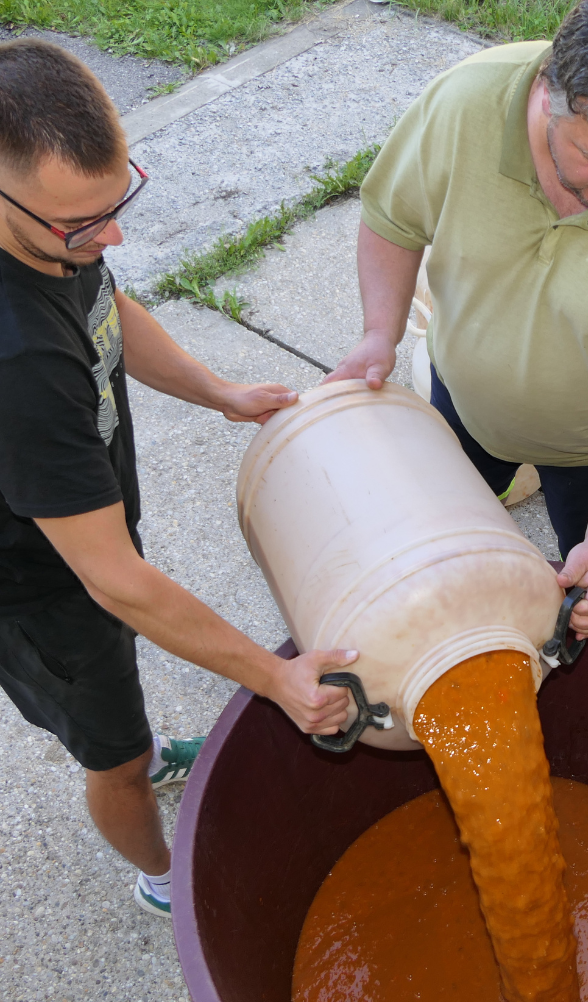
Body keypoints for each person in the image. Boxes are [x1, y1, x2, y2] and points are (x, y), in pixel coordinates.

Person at [0, 40, 354, 917]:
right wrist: (275, 678)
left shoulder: (56, 237)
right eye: (81, 225)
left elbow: (106, 310)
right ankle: (165, 877)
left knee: (121, 692)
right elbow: (114, 580)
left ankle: (144, 750)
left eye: (117, 204)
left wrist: (218, 392)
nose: (111, 237)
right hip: (39, 594)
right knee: (110, 756)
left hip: (80, 534)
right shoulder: (19, 366)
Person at [327, 0, 588, 641]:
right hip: (462, 398)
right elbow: (393, 220)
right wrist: (378, 335)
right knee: (451, 527)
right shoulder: (463, 104)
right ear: (547, 92)